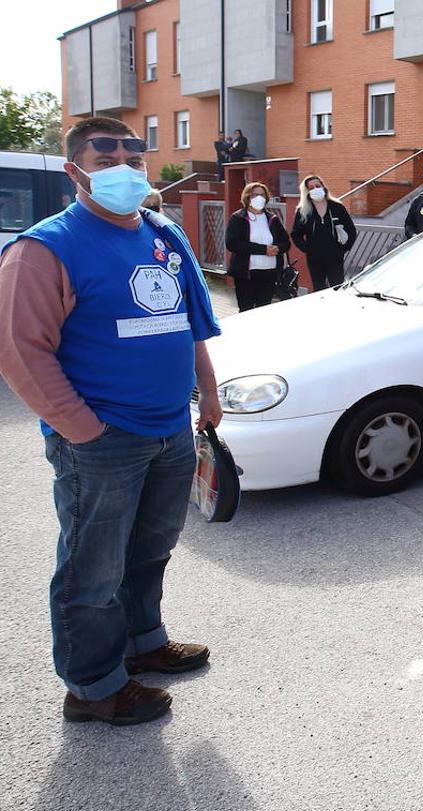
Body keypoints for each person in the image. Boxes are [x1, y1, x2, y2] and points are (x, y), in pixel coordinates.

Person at [0, 116, 222, 726]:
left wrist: (206, 392)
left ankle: (142, 643)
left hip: (170, 429)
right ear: (75, 171)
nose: (125, 169)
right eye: (106, 159)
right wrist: (81, 429)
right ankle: (93, 688)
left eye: (135, 157)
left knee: (150, 549)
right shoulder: (44, 249)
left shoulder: (161, 232)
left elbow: (189, 322)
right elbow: (20, 351)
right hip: (100, 441)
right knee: (91, 568)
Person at [225, 181, 290, 312]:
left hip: (269, 273)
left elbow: (286, 242)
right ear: (247, 197)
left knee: (264, 310)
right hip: (246, 274)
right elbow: (232, 243)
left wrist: (278, 249)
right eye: (255, 195)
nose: (259, 198)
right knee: (246, 310)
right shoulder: (238, 218)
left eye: (262, 195)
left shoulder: (272, 218)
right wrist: (263, 250)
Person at [291, 174, 357, 291]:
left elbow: (351, 230)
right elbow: (296, 234)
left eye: (318, 185)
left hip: (335, 257)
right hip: (314, 259)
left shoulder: (337, 207)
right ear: (307, 192)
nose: (315, 189)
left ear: (323, 187)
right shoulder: (303, 211)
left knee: (337, 288)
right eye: (311, 188)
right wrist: (308, 249)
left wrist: (344, 248)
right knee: (318, 288)